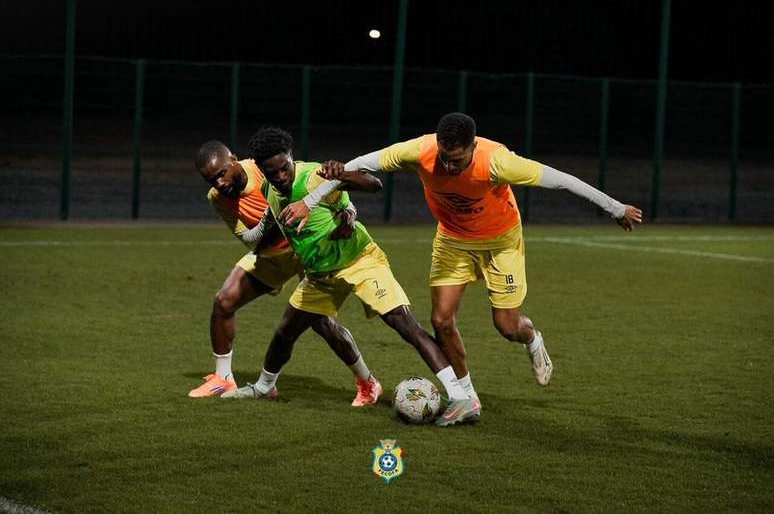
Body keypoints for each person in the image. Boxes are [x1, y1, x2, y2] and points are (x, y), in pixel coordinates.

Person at [279, 112, 643, 416]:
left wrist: (615, 208)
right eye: (444, 157)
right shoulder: (419, 150)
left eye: (457, 159)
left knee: (506, 325)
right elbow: (358, 165)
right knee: (440, 320)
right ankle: (466, 398)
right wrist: (311, 201)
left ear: (473, 146)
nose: (449, 165)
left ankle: (532, 339)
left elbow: (562, 181)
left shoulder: (497, 161)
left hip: (501, 244)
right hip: (453, 241)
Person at [222, 127, 480, 427]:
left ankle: (459, 396)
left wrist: (343, 176)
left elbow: (373, 185)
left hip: (359, 261)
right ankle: (264, 387)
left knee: (402, 322)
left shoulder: (314, 176)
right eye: (272, 171)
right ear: (262, 171)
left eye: (284, 167)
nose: (281, 176)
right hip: (321, 274)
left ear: (291, 158)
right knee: (285, 330)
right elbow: (283, 226)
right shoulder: (270, 193)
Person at [190, 140, 382, 408]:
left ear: (234, 159)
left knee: (322, 322)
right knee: (224, 301)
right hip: (272, 254)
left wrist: (349, 212)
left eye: (221, 173)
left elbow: (321, 191)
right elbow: (250, 240)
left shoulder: (263, 170)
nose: (219, 183)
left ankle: (367, 381)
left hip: (307, 251)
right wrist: (272, 217)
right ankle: (223, 378)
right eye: (210, 179)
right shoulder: (217, 198)